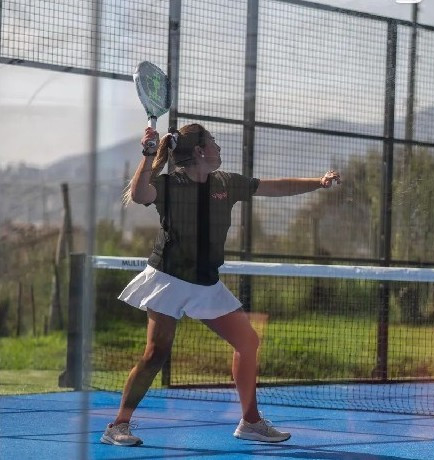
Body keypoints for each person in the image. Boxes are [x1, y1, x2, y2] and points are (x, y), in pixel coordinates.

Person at [100, 123, 341, 446]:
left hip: (206, 282)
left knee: (248, 342)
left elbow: (274, 187)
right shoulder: (171, 184)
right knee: (156, 354)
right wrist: (147, 153)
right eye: (213, 142)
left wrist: (318, 183)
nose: (219, 147)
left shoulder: (227, 183)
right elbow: (140, 193)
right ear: (200, 151)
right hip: (169, 279)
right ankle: (118, 426)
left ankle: (250, 422)